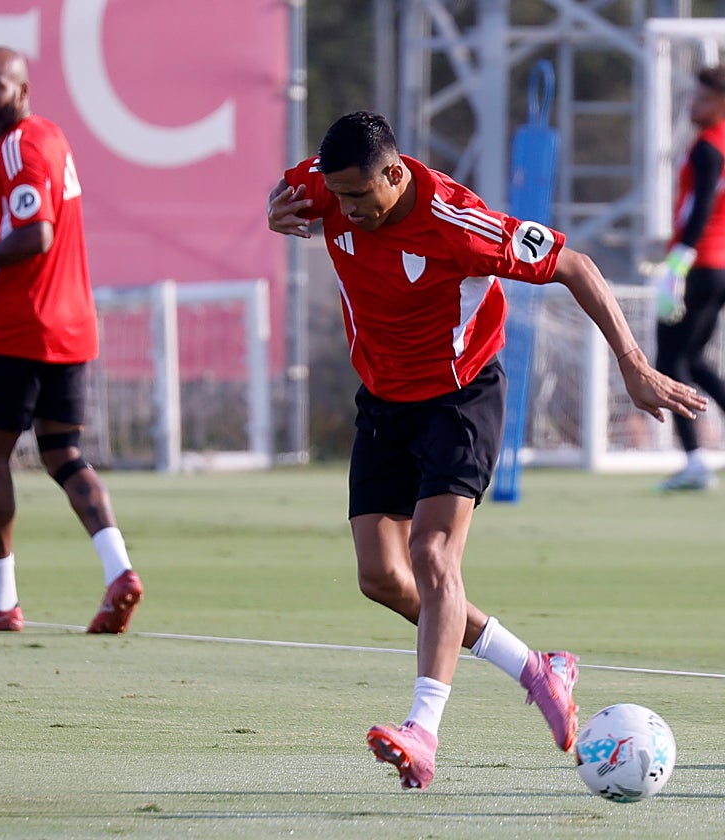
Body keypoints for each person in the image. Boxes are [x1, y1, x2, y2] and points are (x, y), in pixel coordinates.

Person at [267, 111, 706, 790]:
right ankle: (536, 668)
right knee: (381, 578)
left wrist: (633, 364)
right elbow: (287, 194)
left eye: (359, 195)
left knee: (432, 554)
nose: (345, 210)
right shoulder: (329, 184)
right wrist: (276, 211)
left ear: (395, 173)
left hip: (459, 398)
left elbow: (575, 265)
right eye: (338, 195)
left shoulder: (458, 222)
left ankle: (423, 731)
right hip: (383, 398)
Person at [0, 47, 143, 634]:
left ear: (22, 91)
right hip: (71, 327)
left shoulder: (20, 146)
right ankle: (119, 570)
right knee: (63, 453)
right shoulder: (51, 136)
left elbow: (35, 235)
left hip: (22, 329)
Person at [653, 65, 725, 491]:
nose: (692, 106)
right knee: (693, 359)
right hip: (716, 265)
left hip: (699, 265)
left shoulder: (707, 147)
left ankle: (695, 461)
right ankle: (695, 460)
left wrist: (678, 264)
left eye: (702, 100)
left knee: (670, 360)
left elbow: (699, 208)